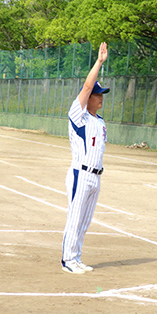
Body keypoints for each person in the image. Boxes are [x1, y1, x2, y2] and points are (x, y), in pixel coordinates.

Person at [62, 42, 109, 274]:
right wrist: (99, 62)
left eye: (101, 95)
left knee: (84, 221)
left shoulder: (99, 121)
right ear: (88, 97)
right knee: (75, 217)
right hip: (80, 173)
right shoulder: (77, 115)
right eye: (97, 94)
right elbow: (87, 85)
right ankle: (67, 260)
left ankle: (76, 257)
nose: (100, 98)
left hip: (95, 177)